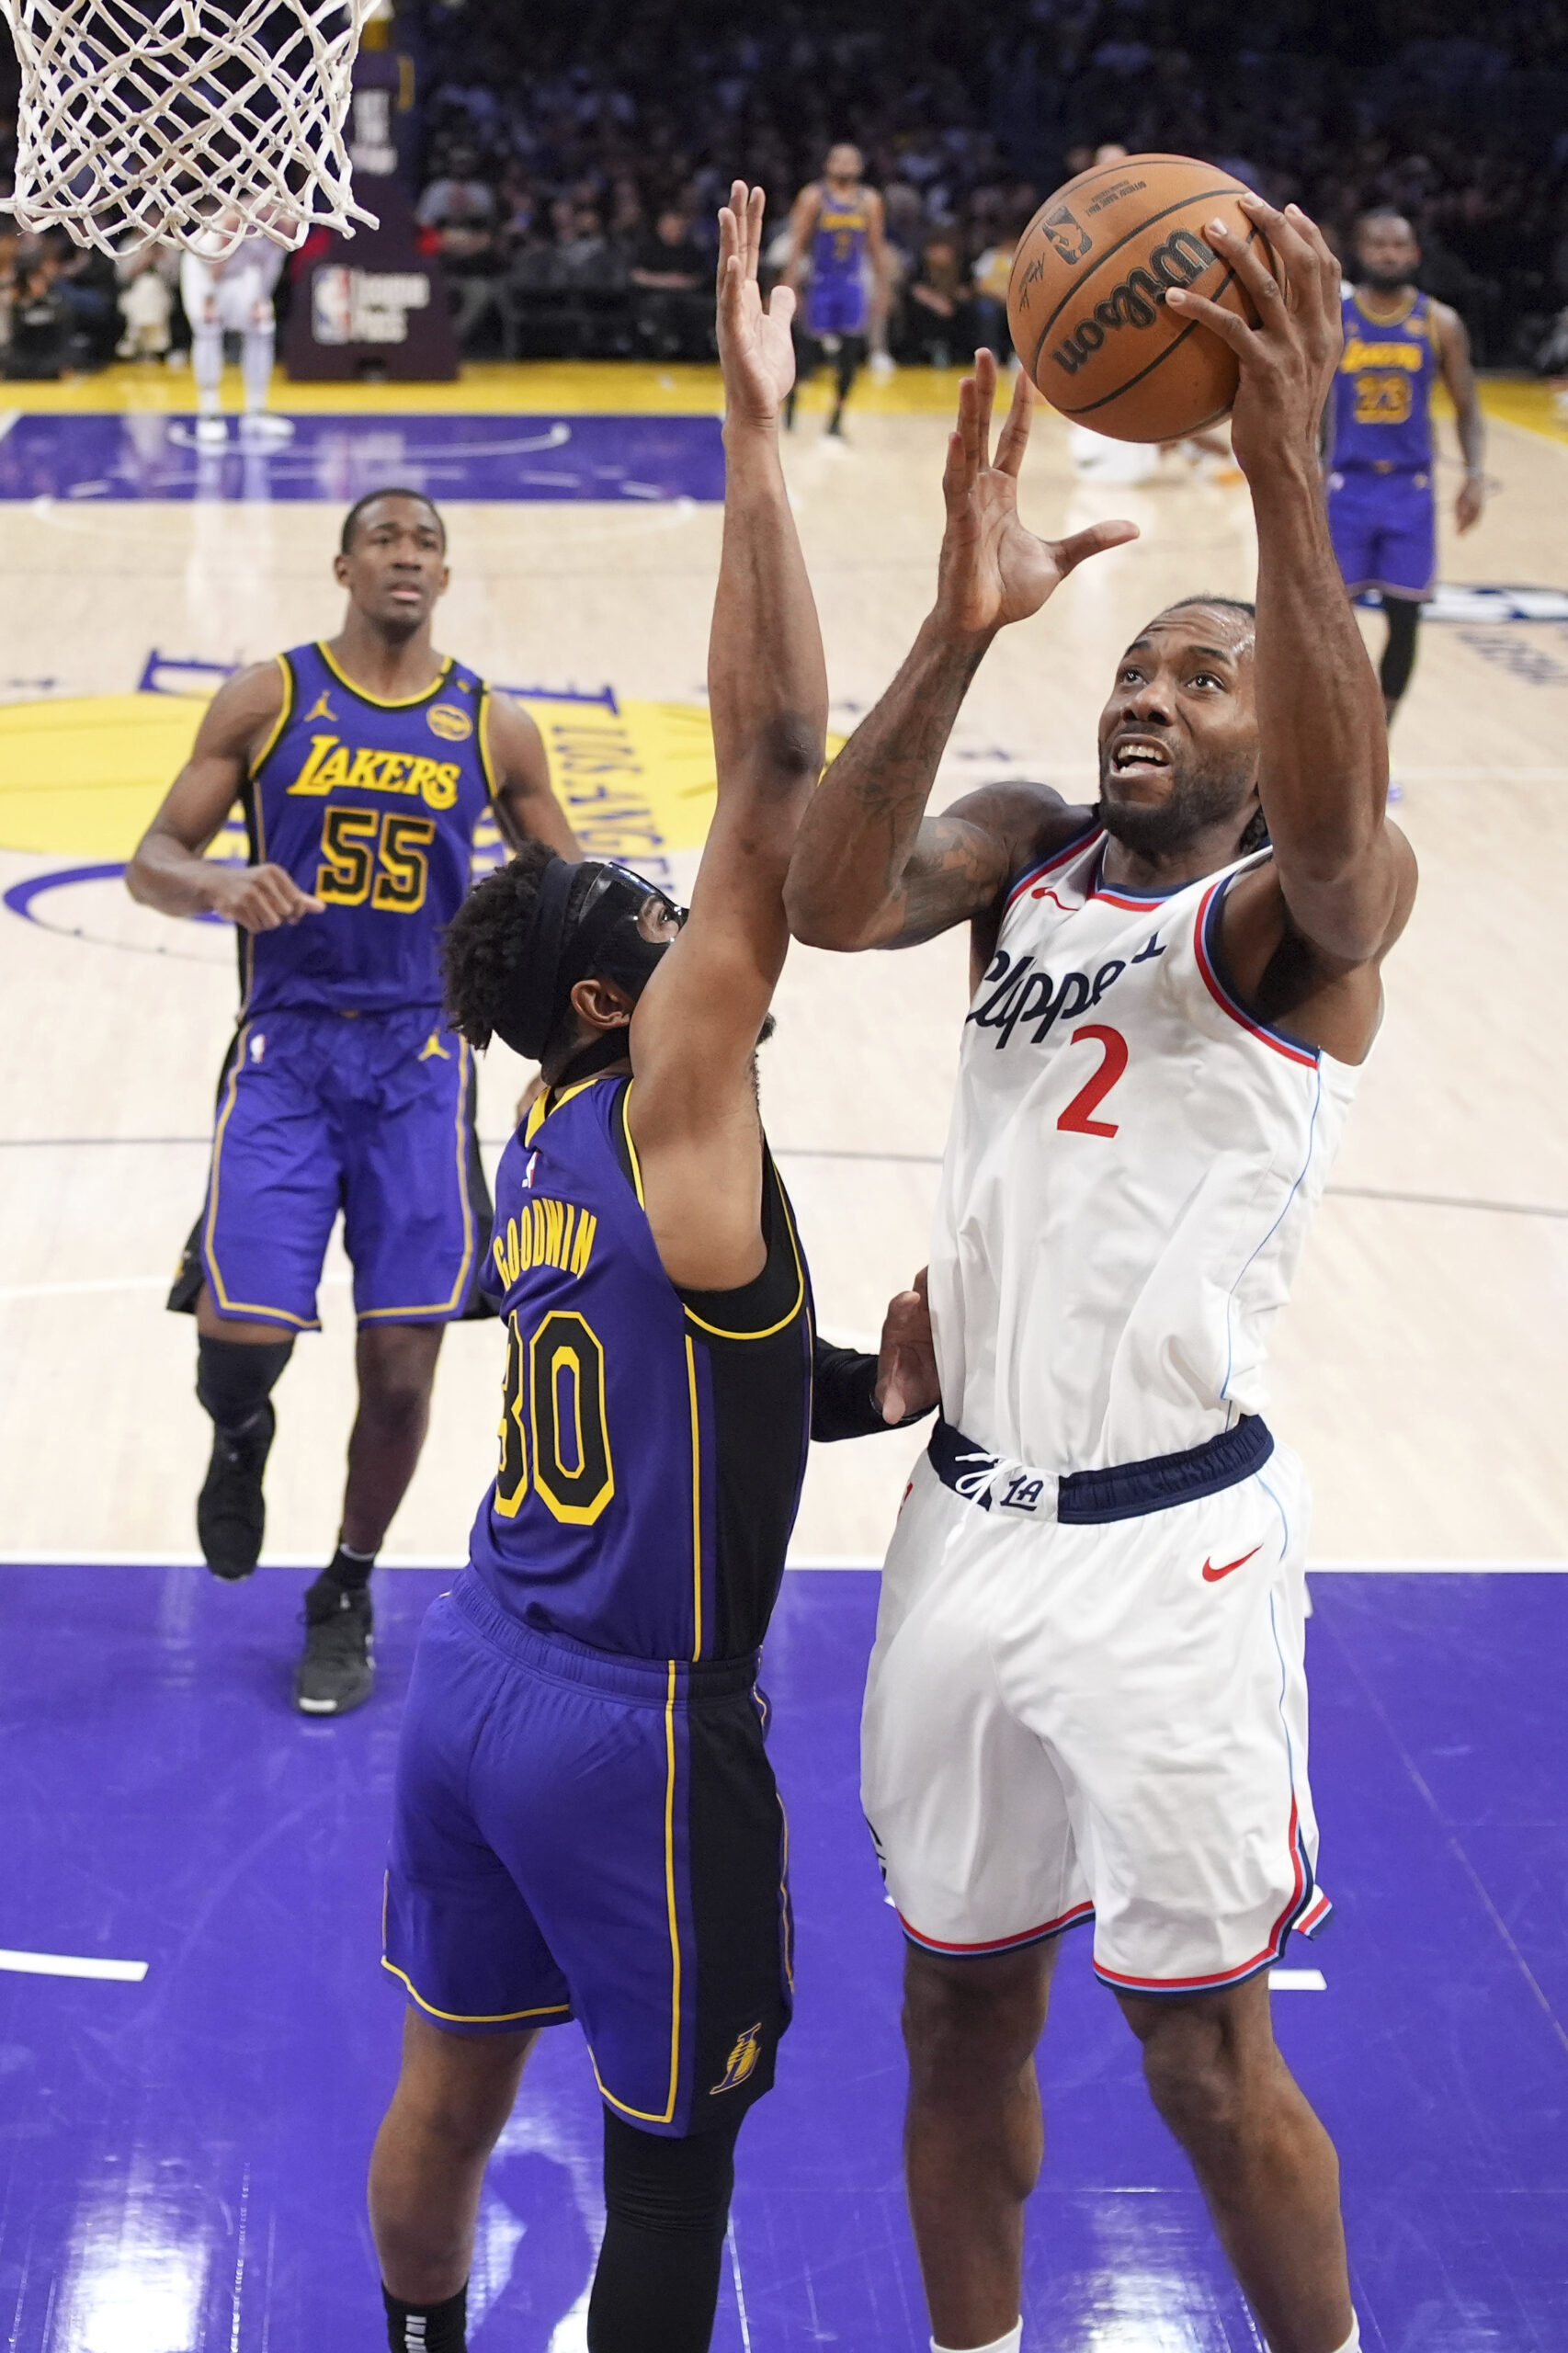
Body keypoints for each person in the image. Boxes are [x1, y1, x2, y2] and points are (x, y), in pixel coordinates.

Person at [785, 198, 1415, 2353]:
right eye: (1138, 664)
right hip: (961, 1521)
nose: (1150, 691)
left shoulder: (1288, 921)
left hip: (1173, 1567)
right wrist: (959, 628)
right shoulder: (1033, 851)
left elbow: (1340, 843)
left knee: (1198, 2058)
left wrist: (1277, 480)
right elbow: (822, 891)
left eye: (1199, 674)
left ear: (1270, 723)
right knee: (949, 2025)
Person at [367, 185, 937, 2353]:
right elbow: (771, 778)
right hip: (633, 1724)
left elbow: (690, 1373)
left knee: (443, 2078)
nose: (681, 924)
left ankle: (420, 2337)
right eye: (646, 924)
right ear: (618, 1002)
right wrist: (752, 435)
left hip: (478, 1673)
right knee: (667, 2170)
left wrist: (864, 1395)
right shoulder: (680, 1088)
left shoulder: (546, 1134)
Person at [125, 489, 577, 1715]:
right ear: (343, 563)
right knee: (243, 1337)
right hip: (285, 1053)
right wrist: (216, 883)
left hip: (418, 1069)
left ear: (445, 573)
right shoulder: (270, 696)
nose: (407, 557)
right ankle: (238, 1434)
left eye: (428, 542)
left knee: (399, 1371)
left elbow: (571, 888)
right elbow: (149, 861)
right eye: (386, 538)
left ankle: (344, 1585)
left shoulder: (491, 726)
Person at [1326, 207, 1485, 727]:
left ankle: (1378, 742)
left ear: (1414, 254)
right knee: (1329, 624)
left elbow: (1467, 407)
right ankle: (1336, 738)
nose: (1388, 254)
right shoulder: (1336, 321)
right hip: (1345, 486)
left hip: (1409, 492)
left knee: (1406, 619)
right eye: (1378, 244)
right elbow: (1306, 408)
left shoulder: (1440, 322)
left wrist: (1475, 476)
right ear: (1360, 251)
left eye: (1398, 245)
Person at [782, 142, 888, 437]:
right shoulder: (814, 196)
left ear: (860, 166)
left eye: (851, 159)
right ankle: (792, 402)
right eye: (839, 159)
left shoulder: (869, 200)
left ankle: (836, 418)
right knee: (806, 353)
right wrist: (790, 286)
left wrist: (882, 288)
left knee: (850, 355)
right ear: (827, 164)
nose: (845, 164)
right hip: (820, 282)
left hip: (852, 283)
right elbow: (797, 244)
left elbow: (876, 247)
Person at [179, 226, 290, 449]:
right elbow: (217, 259)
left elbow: (269, 269)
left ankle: (256, 412)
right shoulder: (237, 218)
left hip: (240, 273)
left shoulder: (288, 231)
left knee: (263, 326)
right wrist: (209, 298)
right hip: (203, 269)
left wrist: (260, 299)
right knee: (207, 328)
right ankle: (209, 412)